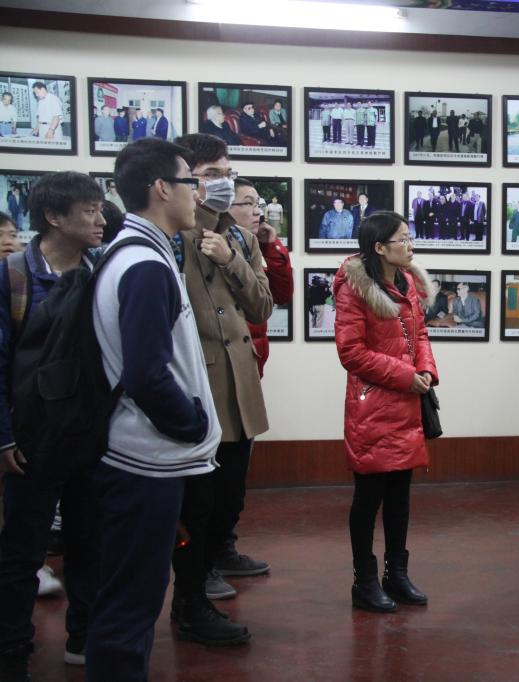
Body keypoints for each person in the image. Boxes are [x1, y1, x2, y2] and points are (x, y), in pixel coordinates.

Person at [85, 138, 222, 682]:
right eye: (191, 182)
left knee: (131, 592)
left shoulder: (143, 253)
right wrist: (190, 423)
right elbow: (146, 374)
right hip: (145, 459)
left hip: (146, 455)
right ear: (162, 189)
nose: (199, 194)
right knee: (132, 599)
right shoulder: (144, 264)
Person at [0, 172, 106, 680]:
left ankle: (83, 636)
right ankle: (12, 647)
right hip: (31, 440)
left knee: (91, 542)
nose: (100, 219)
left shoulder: (103, 271)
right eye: (89, 210)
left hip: (90, 435)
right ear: (53, 217)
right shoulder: (13, 277)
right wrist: (3, 437)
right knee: (23, 549)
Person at [168, 133, 272, 645]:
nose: (223, 184)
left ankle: (215, 560)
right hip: (196, 383)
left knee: (231, 493)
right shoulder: (171, 236)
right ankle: (191, 589)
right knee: (197, 501)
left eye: (227, 174)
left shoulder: (241, 238)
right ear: (184, 180)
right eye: (211, 175)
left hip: (239, 382)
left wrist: (230, 257)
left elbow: (262, 306)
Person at [332, 211, 438, 613]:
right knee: (368, 497)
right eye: (402, 239)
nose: (410, 246)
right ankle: (364, 581)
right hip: (373, 406)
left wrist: (425, 370)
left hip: (407, 402)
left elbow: (420, 333)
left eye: (410, 237)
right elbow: (351, 352)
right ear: (379, 247)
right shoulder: (354, 288)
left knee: (399, 495)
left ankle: (397, 574)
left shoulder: (406, 281)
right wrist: (406, 376)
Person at [228, 178, 293, 377]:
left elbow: (281, 294)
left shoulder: (253, 246)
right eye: (249, 204)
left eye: (258, 205)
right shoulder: (216, 246)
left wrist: (271, 246)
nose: (257, 212)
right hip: (230, 359)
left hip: (254, 358)